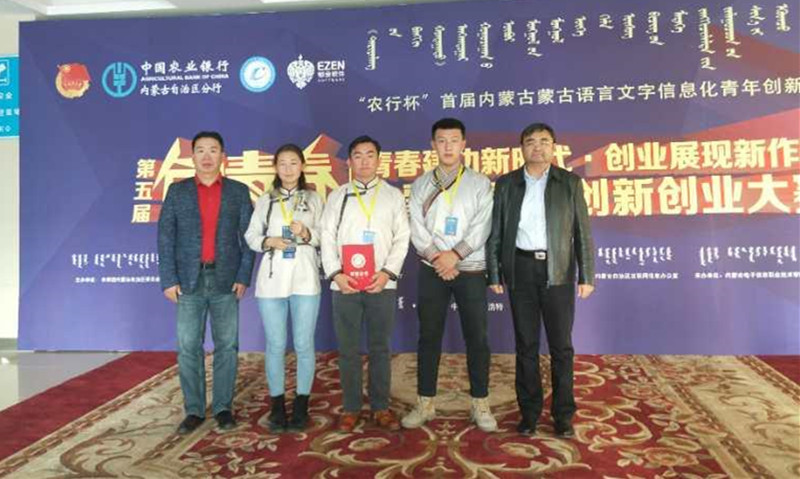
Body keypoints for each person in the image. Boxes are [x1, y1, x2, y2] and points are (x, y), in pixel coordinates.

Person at [487, 122, 595, 438]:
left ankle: (563, 416)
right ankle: (530, 414)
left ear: (554, 147)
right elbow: (496, 230)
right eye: (531, 141)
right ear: (522, 148)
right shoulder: (507, 184)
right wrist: (494, 271)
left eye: (544, 141)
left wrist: (587, 274)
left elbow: (582, 232)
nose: (538, 147)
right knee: (526, 345)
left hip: (557, 270)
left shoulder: (569, 183)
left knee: (561, 346)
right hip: (520, 269)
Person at [158, 131, 255, 435]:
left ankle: (224, 408)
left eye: (213, 150)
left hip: (226, 279)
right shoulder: (178, 192)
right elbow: (165, 238)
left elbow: (249, 239)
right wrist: (168, 279)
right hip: (189, 281)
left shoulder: (238, 192)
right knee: (188, 346)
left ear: (223, 156)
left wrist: (243, 276)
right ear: (192, 157)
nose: (207, 156)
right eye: (200, 150)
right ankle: (194, 410)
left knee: (227, 345)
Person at [403, 118, 497, 432]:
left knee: (477, 337)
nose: (447, 146)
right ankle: (425, 402)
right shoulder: (420, 184)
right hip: (433, 269)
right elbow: (416, 228)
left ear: (463, 144)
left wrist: (454, 255)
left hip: (470, 268)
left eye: (454, 140)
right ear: (433, 145)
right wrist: (437, 257)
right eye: (441, 141)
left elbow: (482, 226)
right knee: (429, 336)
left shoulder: (480, 183)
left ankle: (480, 402)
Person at [320, 135, 410, 432]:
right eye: (357, 155)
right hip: (344, 285)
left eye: (370, 155)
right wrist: (336, 274)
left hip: (380, 284)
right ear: (349, 161)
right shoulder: (337, 196)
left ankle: (381, 407)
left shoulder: (393, 196)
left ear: (378, 160)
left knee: (380, 348)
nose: (364, 161)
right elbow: (326, 237)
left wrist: (387, 273)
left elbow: (402, 238)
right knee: (348, 349)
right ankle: (351, 408)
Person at [245, 144, 323, 433]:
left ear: (302, 166)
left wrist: (307, 233)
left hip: (305, 279)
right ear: (275, 168)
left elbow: (325, 236)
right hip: (272, 281)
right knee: (276, 345)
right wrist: (270, 241)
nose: (288, 169)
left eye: (293, 163)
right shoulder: (266, 200)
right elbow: (251, 235)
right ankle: (277, 405)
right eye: (282, 163)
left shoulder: (314, 199)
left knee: (304, 344)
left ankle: (302, 404)